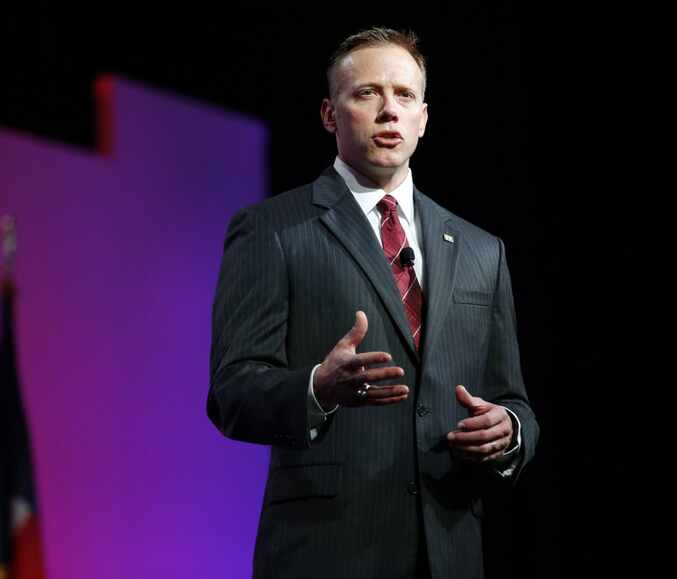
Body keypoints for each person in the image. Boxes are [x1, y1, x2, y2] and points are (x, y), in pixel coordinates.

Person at [207, 27, 539, 579]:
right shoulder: (273, 229)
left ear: (424, 118)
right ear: (329, 114)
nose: (390, 110)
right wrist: (317, 387)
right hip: (327, 552)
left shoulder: (483, 250)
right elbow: (232, 391)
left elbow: (515, 401)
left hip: (450, 550)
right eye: (367, 93)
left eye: (405, 95)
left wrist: (508, 431)